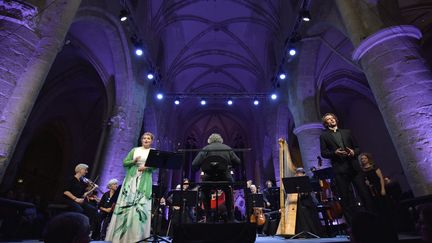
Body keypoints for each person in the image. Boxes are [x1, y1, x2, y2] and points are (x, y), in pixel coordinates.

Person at [319, 113, 371, 223]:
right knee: (345, 198)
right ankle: (353, 224)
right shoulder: (324, 136)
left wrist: (354, 152)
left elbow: (357, 148)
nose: (331, 120)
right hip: (340, 170)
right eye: (328, 119)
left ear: (336, 120)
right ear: (326, 123)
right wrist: (334, 152)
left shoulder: (347, 132)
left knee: (364, 193)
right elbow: (323, 153)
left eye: (332, 118)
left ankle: (372, 219)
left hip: (354, 167)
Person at [105, 132, 157, 242]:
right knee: (127, 205)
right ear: (141, 140)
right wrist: (133, 161)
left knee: (140, 207)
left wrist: (146, 168)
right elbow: (125, 162)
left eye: (148, 139)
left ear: (151, 141)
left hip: (144, 181)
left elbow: (155, 166)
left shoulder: (153, 152)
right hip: (131, 180)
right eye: (144, 138)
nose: (146, 140)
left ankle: (137, 237)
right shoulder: (135, 150)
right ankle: (122, 236)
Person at [192, 133, 241, 222]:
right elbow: (238, 162)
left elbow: (194, 164)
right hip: (225, 177)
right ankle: (230, 217)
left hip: (209, 178)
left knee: (204, 190)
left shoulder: (206, 149)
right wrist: (229, 166)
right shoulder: (227, 148)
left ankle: (208, 216)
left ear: (210, 141)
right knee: (229, 190)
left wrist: (202, 166)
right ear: (220, 140)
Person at [63, 163, 98, 239]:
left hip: (79, 200)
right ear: (80, 170)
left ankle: (87, 232)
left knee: (93, 210)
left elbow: (84, 194)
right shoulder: (71, 179)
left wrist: (93, 188)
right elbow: (66, 191)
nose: (86, 172)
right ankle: (74, 231)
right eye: (85, 170)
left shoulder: (82, 182)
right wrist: (75, 199)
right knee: (79, 209)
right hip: (70, 199)